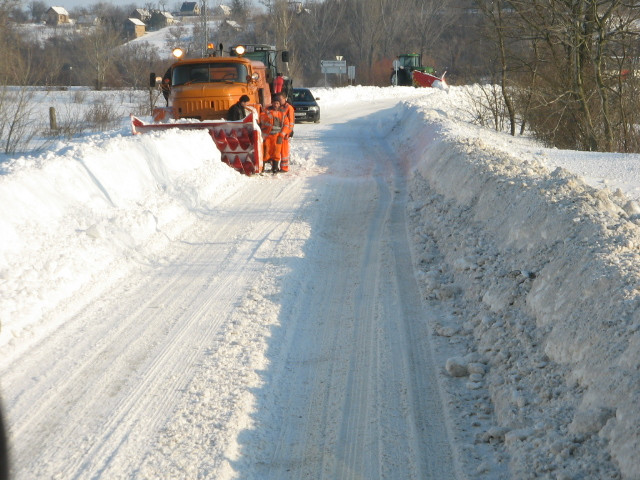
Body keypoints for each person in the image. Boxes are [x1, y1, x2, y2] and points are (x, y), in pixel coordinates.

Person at [259, 98, 285, 173]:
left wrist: (281, 135)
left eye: (277, 103)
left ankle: (275, 169)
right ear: (272, 103)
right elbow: (262, 119)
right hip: (267, 136)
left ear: (279, 104)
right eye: (274, 103)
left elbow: (286, 125)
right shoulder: (266, 112)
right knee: (265, 153)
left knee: (276, 153)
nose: (276, 105)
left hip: (277, 136)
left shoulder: (282, 114)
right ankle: (262, 169)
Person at [274, 92, 295, 172]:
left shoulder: (289, 108)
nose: (279, 100)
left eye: (280, 99)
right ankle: (275, 167)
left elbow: (291, 122)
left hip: (285, 133)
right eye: (278, 99)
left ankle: (284, 167)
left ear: (284, 98)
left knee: (284, 151)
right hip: (278, 133)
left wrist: (288, 133)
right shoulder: (279, 107)